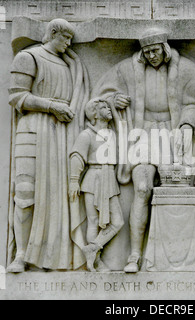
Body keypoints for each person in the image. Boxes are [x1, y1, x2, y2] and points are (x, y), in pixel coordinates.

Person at [92, 28, 195, 272]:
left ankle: (172, 254)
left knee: (175, 189)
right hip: (141, 136)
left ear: (164, 48)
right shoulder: (127, 69)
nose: (152, 55)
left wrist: (187, 122)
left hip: (172, 135)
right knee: (142, 189)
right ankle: (134, 254)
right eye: (147, 52)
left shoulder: (185, 68)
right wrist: (115, 101)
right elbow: (102, 96)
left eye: (155, 50)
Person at [7, 19, 89, 272]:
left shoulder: (68, 65)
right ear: (53, 33)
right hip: (32, 129)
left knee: (55, 195)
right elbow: (16, 96)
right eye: (66, 38)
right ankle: (21, 254)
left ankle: (50, 254)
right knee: (25, 192)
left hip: (59, 134)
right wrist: (52, 106)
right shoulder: (28, 57)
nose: (69, 44)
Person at [69, 98, 124, 272]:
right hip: (93, 177)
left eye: (109, 106)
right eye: (103, 107)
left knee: (117, 221)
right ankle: (96, 262)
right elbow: (77, 156)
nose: (108, 109)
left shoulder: (112, 133)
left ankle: (92, 247)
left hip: (109, 177)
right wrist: (73, 181)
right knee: (93, 222)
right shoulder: (87, 135)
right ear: (94, 113)